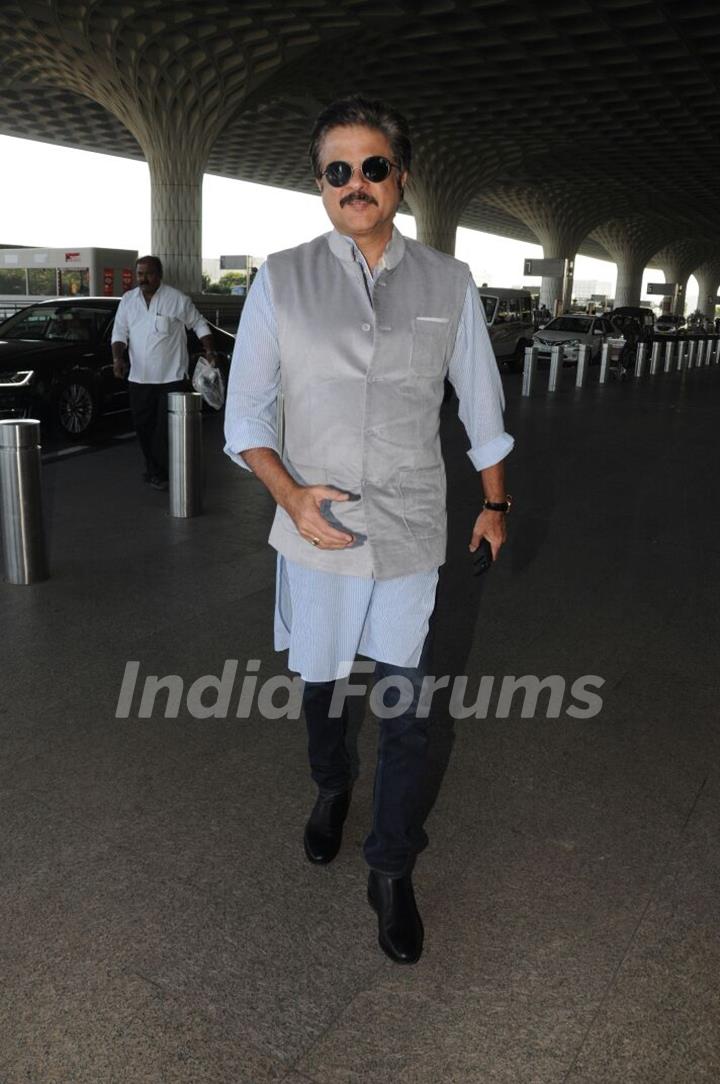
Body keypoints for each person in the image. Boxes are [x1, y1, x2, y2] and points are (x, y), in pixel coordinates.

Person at [224, 96, 513, 964]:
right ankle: (330, 786)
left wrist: (495, 504)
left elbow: (484, 408)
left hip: (413, 530)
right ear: (320, 184)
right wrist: (288, 496)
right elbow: (245, 415)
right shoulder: (280, 279)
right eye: (338, 171)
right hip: (316, 532)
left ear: (400, 177)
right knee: (322, 690)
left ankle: (391, 866)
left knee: (407, 708)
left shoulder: (448, 283)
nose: (357, 184)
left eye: (373, 167)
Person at [111, 256, 219, 489]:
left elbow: (199, 324)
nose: (143, 279)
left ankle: (161, 473)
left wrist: (209, 350)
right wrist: (118, 357)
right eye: (139, 274)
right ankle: (153, 468)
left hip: (171, 378)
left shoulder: (177, 299)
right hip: (139, 378)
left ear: (159, 275)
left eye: (148, 274)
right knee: (143, 427)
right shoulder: (128, 300)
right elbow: (119, 332)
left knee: (163, 430)